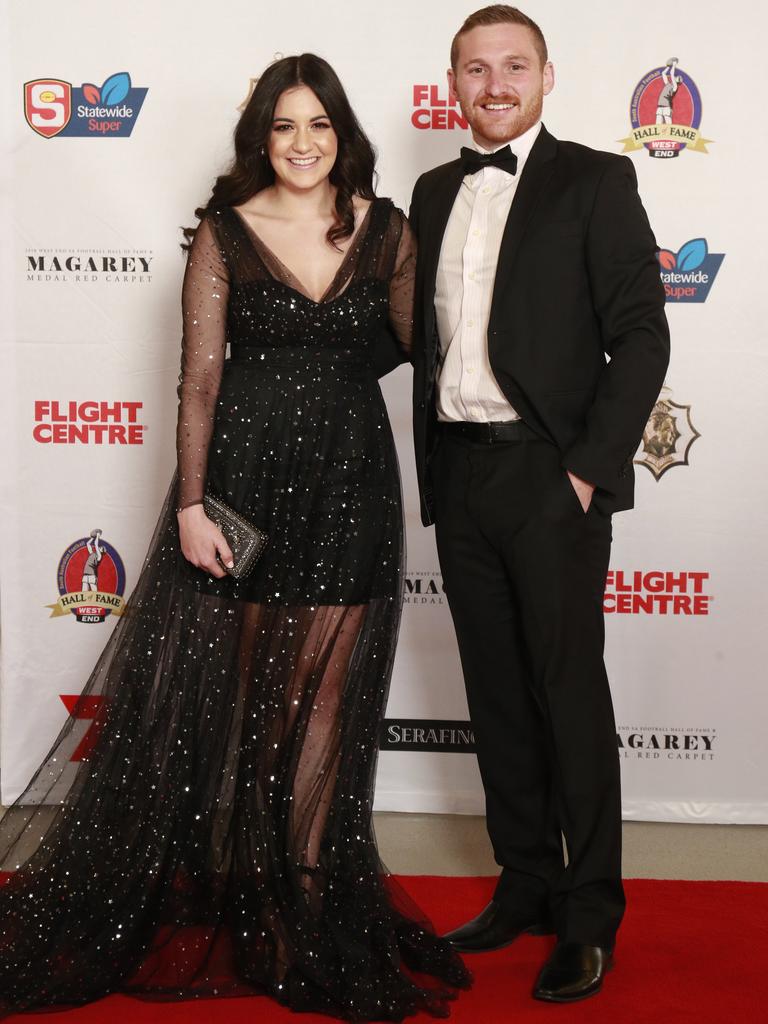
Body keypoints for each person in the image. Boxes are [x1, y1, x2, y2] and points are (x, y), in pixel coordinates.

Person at [0, 54, 469, 1021]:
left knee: (327, 701)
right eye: (286, 126)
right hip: (244, 490)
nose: (303, 144)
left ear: (344, 136)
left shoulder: (388, 232)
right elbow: (200, 382)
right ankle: (248, 894)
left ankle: (300, 893)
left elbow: (433, 352)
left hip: (349, 483)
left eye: (321, 126)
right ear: (262, 136)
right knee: (250, 697)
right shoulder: (223, 234)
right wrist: (189, 504)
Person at [408, 5, 669, 1003]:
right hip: (461, 475)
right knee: (497, 694)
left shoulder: (595, 181)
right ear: (454, 83)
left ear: (547, 76)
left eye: (514, 64)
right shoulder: (431, 192)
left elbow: (642, 334)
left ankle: (590, 911)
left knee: (567, 691)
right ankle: (525, 879)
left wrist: (586, 469)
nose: (495, 82)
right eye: (476, 67)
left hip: (548, 474)